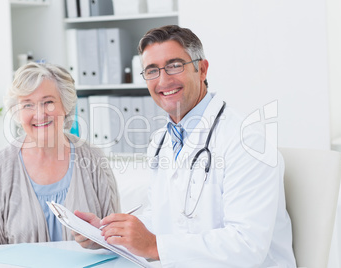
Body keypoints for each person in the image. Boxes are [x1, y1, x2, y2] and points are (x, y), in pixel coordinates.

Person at [73, 25, 296, 267]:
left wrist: (153, 245)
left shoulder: (247, 141)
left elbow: (247, 246)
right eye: (152, 71)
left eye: (174, 66)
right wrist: (110, 234)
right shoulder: (162, 141)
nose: (163, 80)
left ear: (202, 69)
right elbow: (166, 218)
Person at [0, 62, 120, 245]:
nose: (39, 114)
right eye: (28, 105)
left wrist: (100, 241)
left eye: (48, 102)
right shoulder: (0, 167)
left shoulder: (94, 159)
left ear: (65, 106)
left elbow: (116, 242)